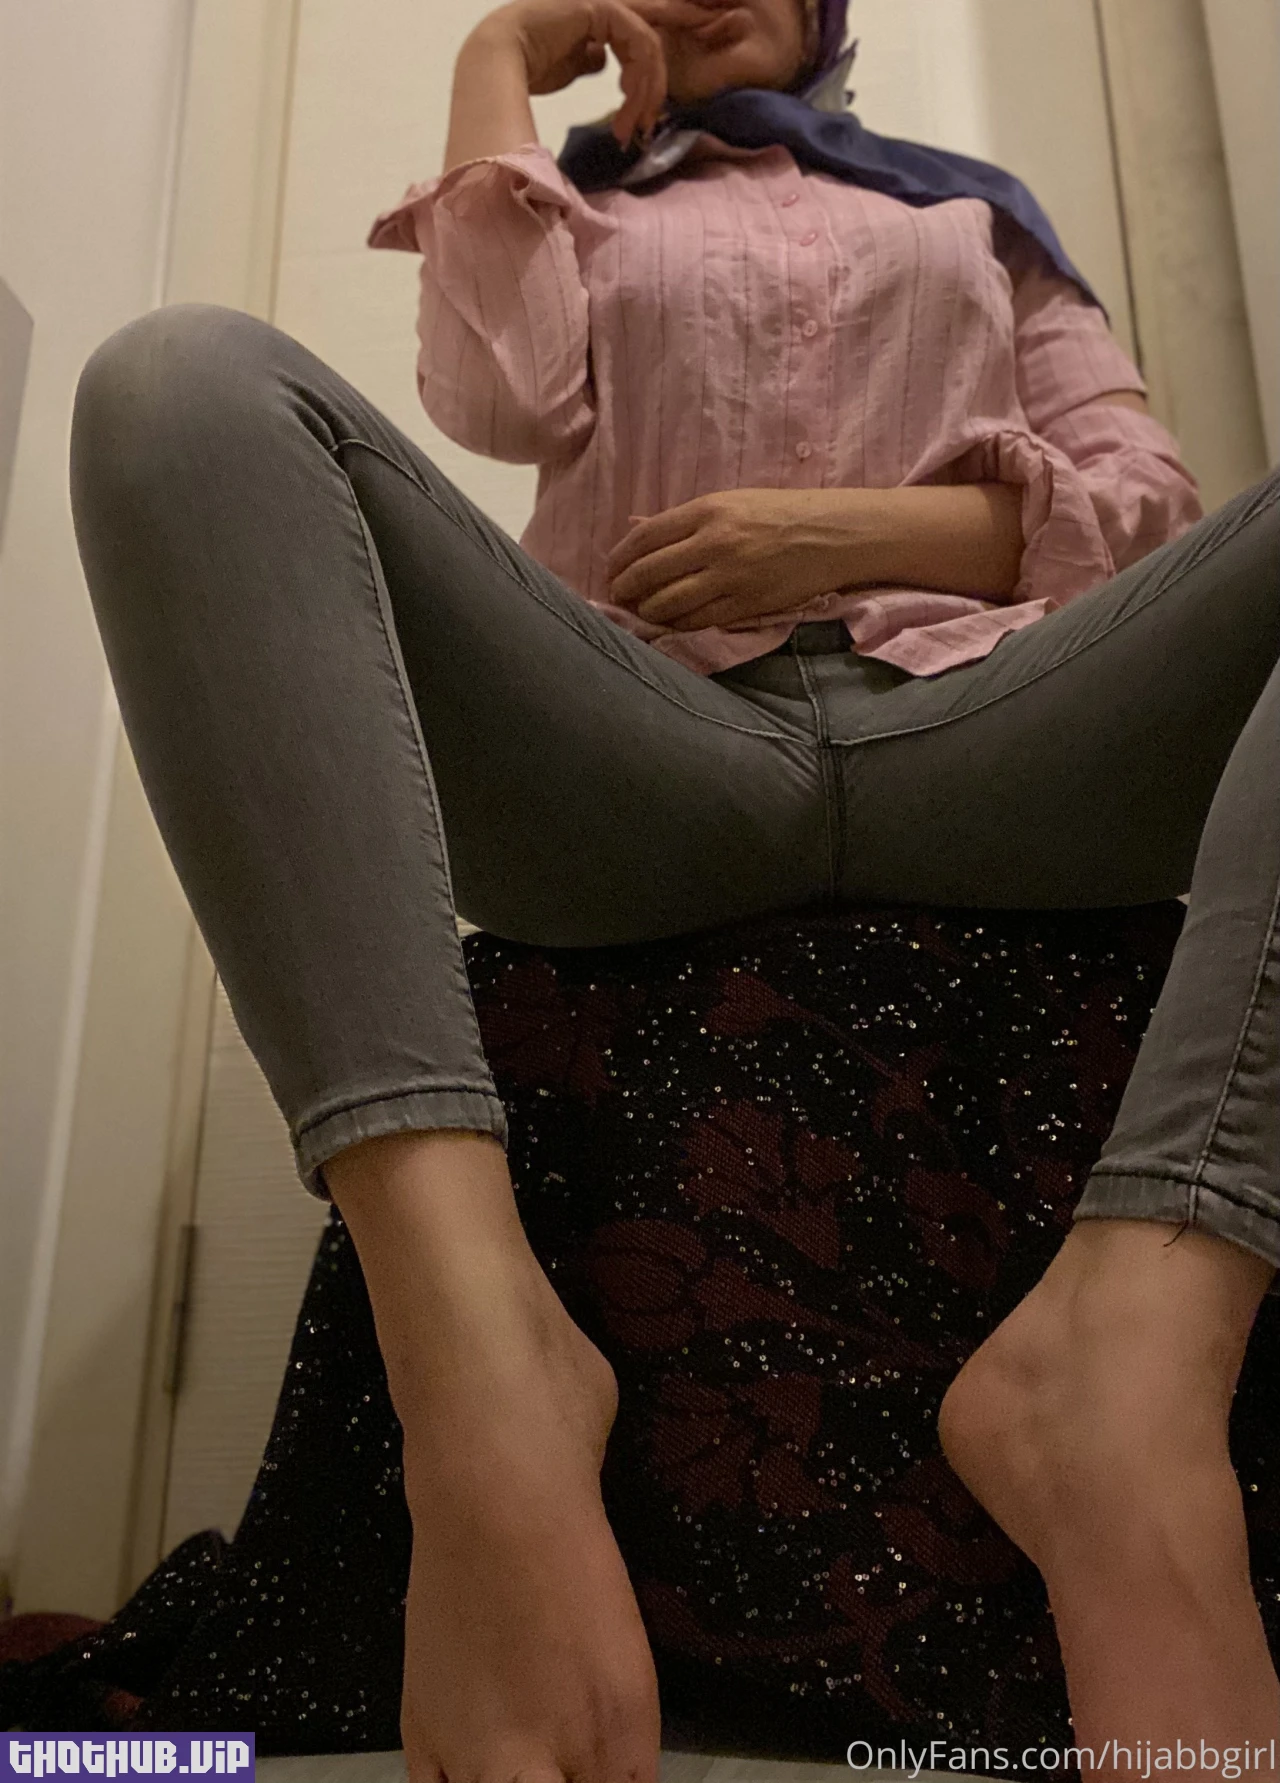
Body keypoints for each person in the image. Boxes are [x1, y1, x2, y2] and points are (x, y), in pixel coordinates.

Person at [66, 0, 1280, 1777]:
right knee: (175, 386)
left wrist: (856, 529)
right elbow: (490, 393)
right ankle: (482, 1371)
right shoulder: (572, 211)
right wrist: (498, 54)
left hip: (995, 723)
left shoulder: (973, 214)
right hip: (651, 743)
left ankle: (1137, 1351)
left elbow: (1148, 505)